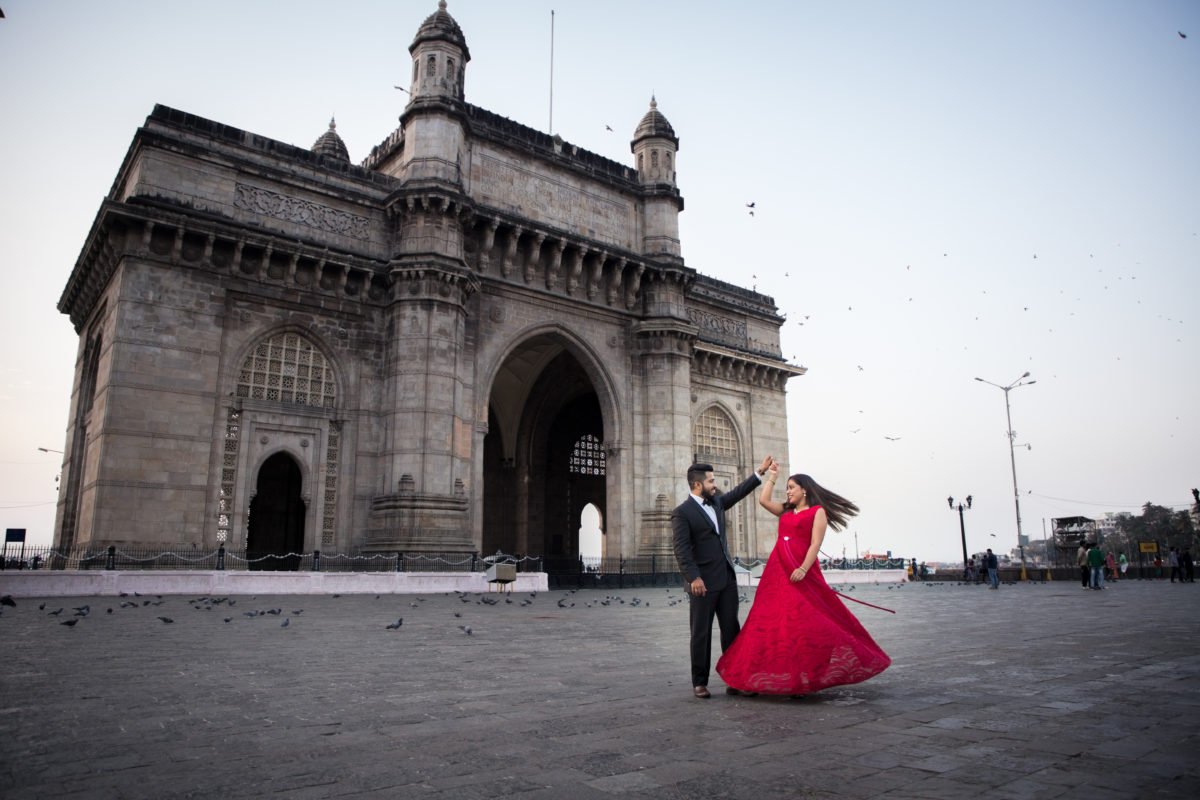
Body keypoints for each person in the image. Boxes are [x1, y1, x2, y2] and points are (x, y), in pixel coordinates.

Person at [715, 464, 890, 696]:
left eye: (791, 488)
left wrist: (803, 568)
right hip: (777, 573)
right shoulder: (786, 511)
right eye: (787, 488)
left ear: (804, 490)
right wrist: (773, 478)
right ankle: (748, 677)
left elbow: (815, 544)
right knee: (766, 621)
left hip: (801, 573)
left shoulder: (817, 512)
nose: (788, 492)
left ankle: (802, 678)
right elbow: (764, 501)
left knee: (801, 623)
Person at [671, 455, 773, 699]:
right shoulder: (682, 513)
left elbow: (737, 493)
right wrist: (693, 578)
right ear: (697, 485)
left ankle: (735, 679)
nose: (715, 484)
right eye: (711, 481)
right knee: (701, 633)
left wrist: (759, 472)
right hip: (702, 584)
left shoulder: (716, 502)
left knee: (731, 631)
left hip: (726, 579)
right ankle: (700, 682)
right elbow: (681, 550)